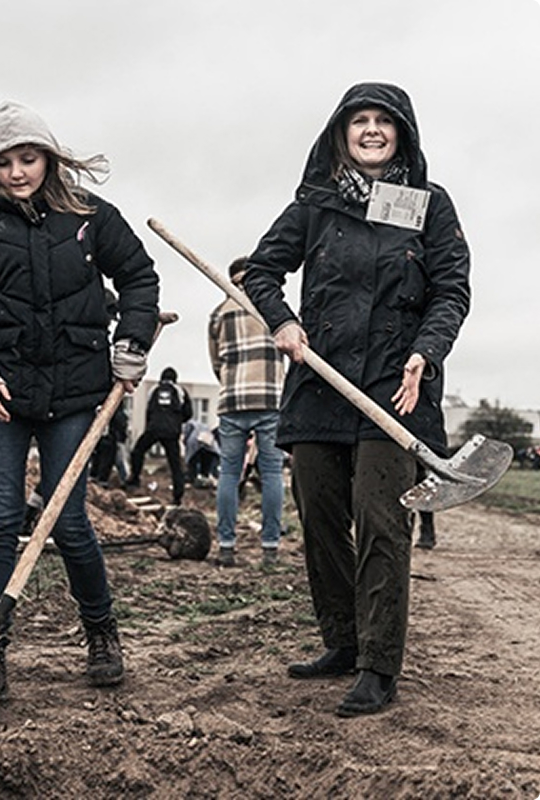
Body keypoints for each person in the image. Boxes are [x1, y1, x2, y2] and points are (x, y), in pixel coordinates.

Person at [243, 82, 470, 717]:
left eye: (383, 121)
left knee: (380, 523)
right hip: (320, 385)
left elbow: (452, 289)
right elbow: (261, 271)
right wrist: (283, 322)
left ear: (402, 133)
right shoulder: (315, 203)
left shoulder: (428, 204)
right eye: (359, 120)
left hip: (396, 390)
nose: (371, 130)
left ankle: (378, 664)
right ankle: (342, 641)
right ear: (341, 132)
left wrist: (427, 351)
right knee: (320, 520)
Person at [0, 100, 159, 714]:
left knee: (69, 519)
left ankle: (101, 631)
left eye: (28, 158)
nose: (17, 172)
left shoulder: (89, 218)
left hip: (75, 392)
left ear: (49, 158)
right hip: (1, 396)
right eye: (3, 163)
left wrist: (131, 342)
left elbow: (139, 278)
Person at [208, 256, 285, 568]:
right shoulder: (272, 308)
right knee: (272, 473)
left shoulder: (218, 314)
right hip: (270, 398)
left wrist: (231, 383)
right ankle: (270, 547)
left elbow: (215, 362)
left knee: (229, 473)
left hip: (232, 401)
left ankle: (226, 546)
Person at [126, 367, 192, 506]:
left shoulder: (153, 390)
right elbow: (188, 413)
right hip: (171, 432)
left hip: (154, 428)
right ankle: (177, 496)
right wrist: (176, 421)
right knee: (175, 464)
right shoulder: (180, 391)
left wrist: (149, 426)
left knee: (138, 451)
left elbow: (149, 411)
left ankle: (134, 478)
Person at [182, 419, 220, 488]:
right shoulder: (204, 427)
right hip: (209, 444)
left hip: (197, 442)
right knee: (207, 462)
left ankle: (192, 477)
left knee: (192, 461)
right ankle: (204, 477)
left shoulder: (188, 424)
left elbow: (187, 435)